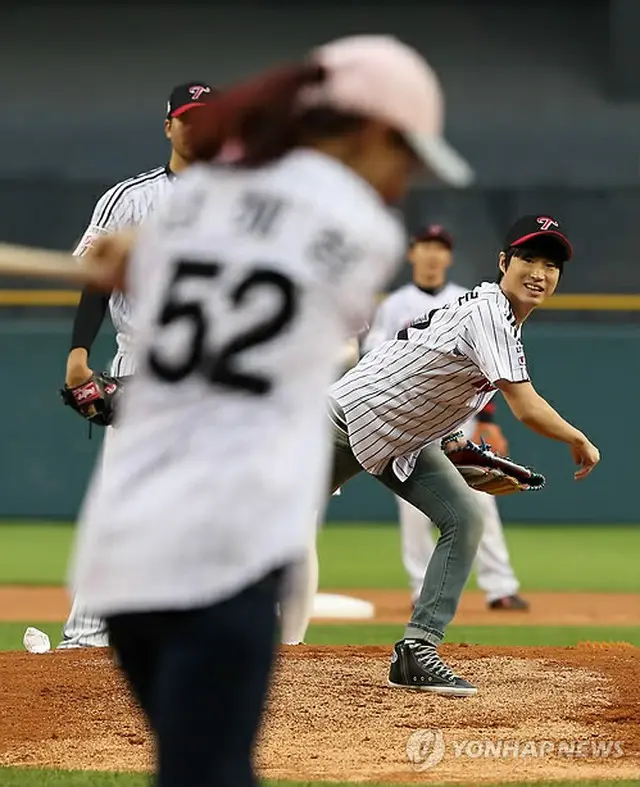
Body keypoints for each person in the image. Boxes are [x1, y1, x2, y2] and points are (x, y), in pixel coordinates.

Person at [67, 35, 474, 787]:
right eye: (404, 153)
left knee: (198, 764)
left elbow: (196, 274)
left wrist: (151, 260)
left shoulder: (196, 197)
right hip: (229, 546)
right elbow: (325, 328)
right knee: (213, 768)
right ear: (367, 131)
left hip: (125, 547)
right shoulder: (362, 230)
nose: (403, 178)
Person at [319, 214, 599, 697]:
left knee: (466, 518)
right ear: (503, 262)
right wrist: (578, 439)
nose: (539, 272)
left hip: (401, 439)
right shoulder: (490, 309)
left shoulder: (502, 321)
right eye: (528, 258)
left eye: (550, 264)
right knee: (260, 524)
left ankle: (416, 650)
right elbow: (525, 406)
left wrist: (461, 451)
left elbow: (436, 387)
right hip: (347, 419)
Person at [58, 81, 216, 650]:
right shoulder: (128, 199)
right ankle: (88, 632)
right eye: (188, 118)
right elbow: (95, 280)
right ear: (169, 125)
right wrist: (79, 354)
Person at [362, 224, 529, 612]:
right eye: (426, 245)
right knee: (412, 508)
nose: (433, 254)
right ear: (412, 253)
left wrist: (488, 420)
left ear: (449, 256)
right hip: (406, 419)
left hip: (457, 420)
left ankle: (499, 587)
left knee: (482, 499)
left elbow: (490, 366)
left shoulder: (466, 298)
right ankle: (421, 587)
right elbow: (372, 359)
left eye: (441, 247)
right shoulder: (394, 305)